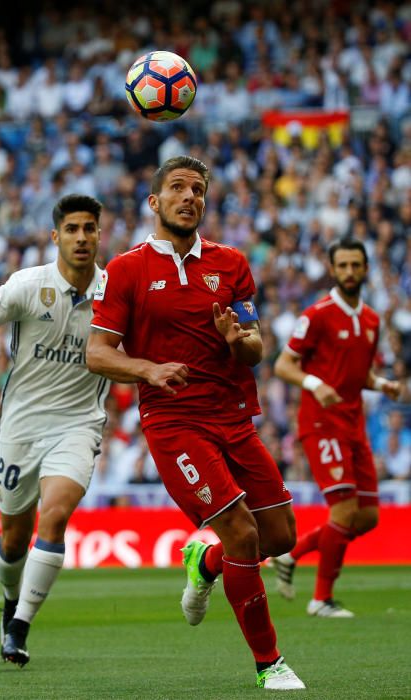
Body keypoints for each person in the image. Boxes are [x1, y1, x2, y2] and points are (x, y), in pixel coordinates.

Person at [86, 156, 305, 691]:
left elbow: (255, 347)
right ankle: (269, 663)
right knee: (241, 530)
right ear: (155, 202)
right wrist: (147, 369)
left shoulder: (230, 264)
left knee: (278, 536)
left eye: (199, 190)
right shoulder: (126, 269)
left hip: (234, 417)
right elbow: (97, 352)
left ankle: (204, 559)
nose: (190, 197)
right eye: (178, 188)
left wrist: (240, 341)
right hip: (175, 421)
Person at [0, 194, 110, 666]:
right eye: (73, 229)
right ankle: (8, 601)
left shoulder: (114, 292)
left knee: (55, 514)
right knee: (14, 537)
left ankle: (19, 626)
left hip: (79, 423)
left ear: (100, 234)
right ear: (55, 236)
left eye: (90, 229)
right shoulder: (26, 285)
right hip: (21, 427)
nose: (82, 237)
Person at [273, 236, 402, 617]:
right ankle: (321, 599)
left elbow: (359, 374)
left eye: (355, 265)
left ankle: (293, 554)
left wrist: (382, 384)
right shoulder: (316, 315)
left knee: (368, 517)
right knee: (344, 512)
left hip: (353, 424)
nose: (348, 272)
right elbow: (284, 365)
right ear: (332, 269)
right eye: (342, 265)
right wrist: (315, 384)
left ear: (365, 268)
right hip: (321, 422)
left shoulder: (372, 319)